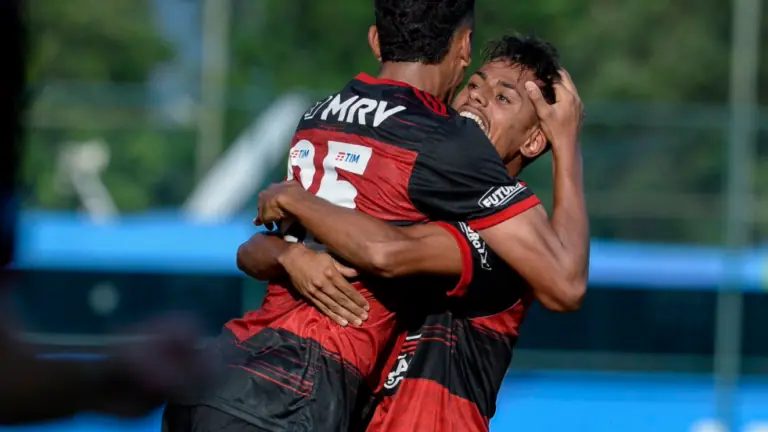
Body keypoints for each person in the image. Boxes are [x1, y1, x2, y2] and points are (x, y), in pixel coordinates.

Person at [164, 1, 587, 431]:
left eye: (501, 98)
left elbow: (388, 251)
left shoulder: (503, 241)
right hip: (293, 395)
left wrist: (567, 144)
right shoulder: (406, 183)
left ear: (535, 141)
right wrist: (290, 257)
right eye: (474, 83)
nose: (477, 95)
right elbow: (253, 249)